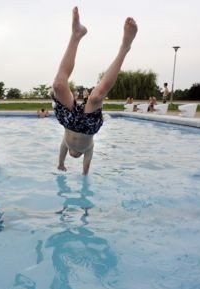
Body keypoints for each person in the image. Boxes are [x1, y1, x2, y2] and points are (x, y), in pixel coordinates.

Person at [52, 7, 138, 175]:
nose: (75, 154)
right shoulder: (88, 150)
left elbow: (61, 154)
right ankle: (125, 47)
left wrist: (60, 164)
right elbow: (86, 167)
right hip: (88, 127)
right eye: (77, 155)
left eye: (72, 155)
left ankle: (76, 35)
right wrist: (84, 176)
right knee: (96, 96)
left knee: (58, 86)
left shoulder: (65, 145)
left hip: (68, 121)